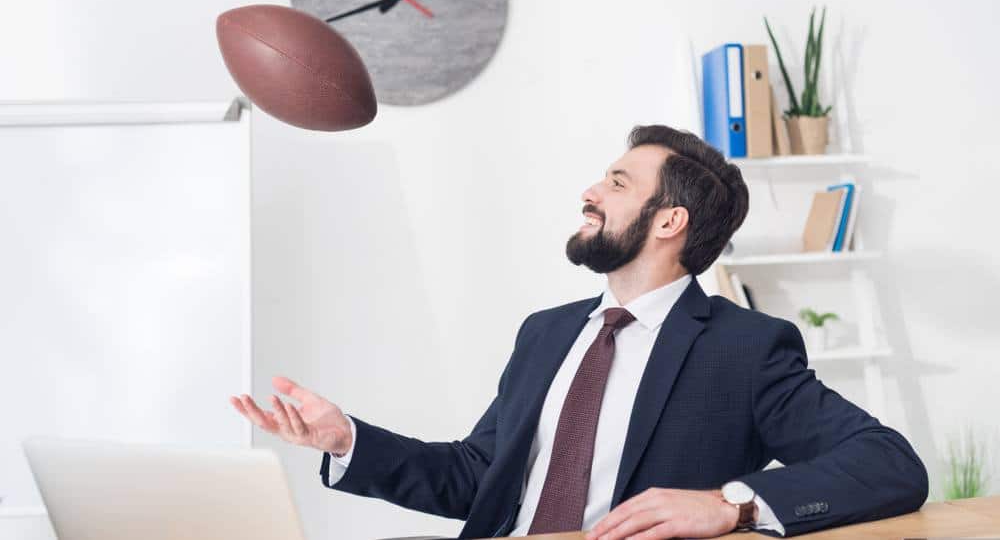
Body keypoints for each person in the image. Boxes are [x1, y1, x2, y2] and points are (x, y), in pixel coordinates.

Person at [231, 125, 928, 539]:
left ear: (668, 221)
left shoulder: (744, 348)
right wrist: (347, 437)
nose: (590, 192)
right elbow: (478, 477)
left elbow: (890, 463)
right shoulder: (546, 334)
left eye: (617, 183)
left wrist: (731, 505)